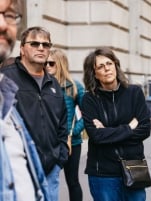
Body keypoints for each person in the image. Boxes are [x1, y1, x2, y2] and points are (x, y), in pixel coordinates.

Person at [0, 26, 68, 201]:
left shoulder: (54, 84)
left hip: (50, 170)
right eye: (35, 43)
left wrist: (60, 158)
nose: (41, 48)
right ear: (22, 48)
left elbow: (62, 124)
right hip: (21, 169)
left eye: (45, 45)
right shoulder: (6, 79)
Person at [81, 47, 151, 201]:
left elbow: (145, 130)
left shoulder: (134, 93)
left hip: (134, 167)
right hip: (103, 174)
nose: (106, 69)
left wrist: (108, 132)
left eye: (109, 63)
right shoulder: (89, 100)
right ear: (94, 73)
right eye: (100, 66)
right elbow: (97, 136)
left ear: (115, 65)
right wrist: (129, 127)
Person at [0, 1, 50, 201]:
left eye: (10, 14)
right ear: (22, 49)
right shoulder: (12, 77)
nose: (3, 24)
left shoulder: (5, 92)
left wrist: (59, 153)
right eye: (35, 44)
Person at [45, 48, 85, 201]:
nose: (47, 66)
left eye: (51, 63)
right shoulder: (42, 85)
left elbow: (88, 116)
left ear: (60, 64)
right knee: (48, 181)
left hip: (71, 143)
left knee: (72, 181)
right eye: (45, 63)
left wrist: (74, 131)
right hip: (49, 143)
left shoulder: (74, 86)